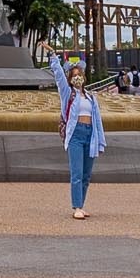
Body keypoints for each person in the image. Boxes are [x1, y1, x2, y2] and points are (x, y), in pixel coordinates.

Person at [57, 59, 107, 218]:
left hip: (90, 134)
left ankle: (81, 204)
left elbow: (96, 118)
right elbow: (59, 77)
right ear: (70, 79)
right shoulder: (68, 93)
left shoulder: (90, 96)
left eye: (80, 75)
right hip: (76, 135)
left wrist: (99, 138)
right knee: (77, 173)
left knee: (86, 174)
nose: (77, 78)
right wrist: (52, 57)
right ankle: (76, 207)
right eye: (74, 76)